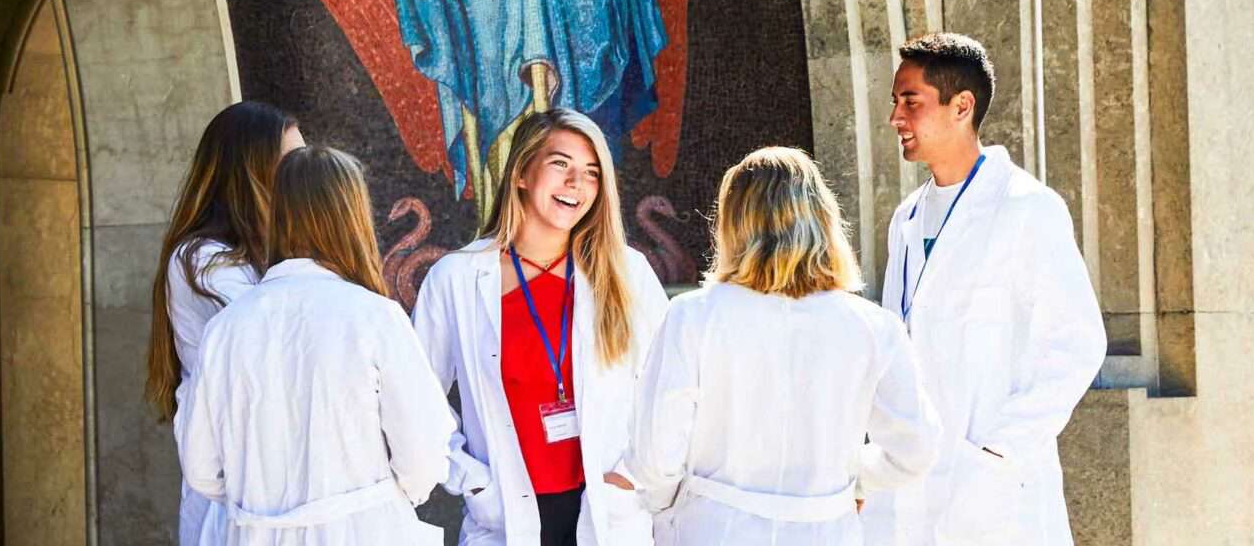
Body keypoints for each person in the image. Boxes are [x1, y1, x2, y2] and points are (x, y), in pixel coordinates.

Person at [611, 146, 940, 545]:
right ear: (824, 220)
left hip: (714, 528)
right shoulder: (875, 329)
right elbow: (915, 451)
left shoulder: (693, 317)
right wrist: (849, 480)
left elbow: (654, 458)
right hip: (827, 530)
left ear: (733, 223)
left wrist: (667, 506)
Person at [859, 32, 1107, 545]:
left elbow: (1078, 344)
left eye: (911, 101)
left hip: (995, 494)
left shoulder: (1027, 208)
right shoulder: (905, 219)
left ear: (961, 106)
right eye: (894, 102)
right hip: (911, 489)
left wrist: (998, 451)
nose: (895, 119)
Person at [413, 109, 670, 545]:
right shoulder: (456, 278)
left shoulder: (628, 272)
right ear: (521, 175)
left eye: (591, 173)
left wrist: (633, 474)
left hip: (609, 512)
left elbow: (672, 385)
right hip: (505, 516)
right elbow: (418, 399)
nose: (577, 183)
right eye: (560, 165)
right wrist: (470, 478)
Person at [177, 146, 455, 545]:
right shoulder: (375, 318)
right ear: (353, 217)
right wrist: (381, 502)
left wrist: (266, 506)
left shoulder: (225, 329)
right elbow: (424, 453)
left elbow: (201, 467)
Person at [143, 100, 305, 546]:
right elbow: (275, 348)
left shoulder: (270, 255)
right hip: (236, 495)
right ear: (249, 173)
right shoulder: (200, 260)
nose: (305, 181)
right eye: (292, 166)